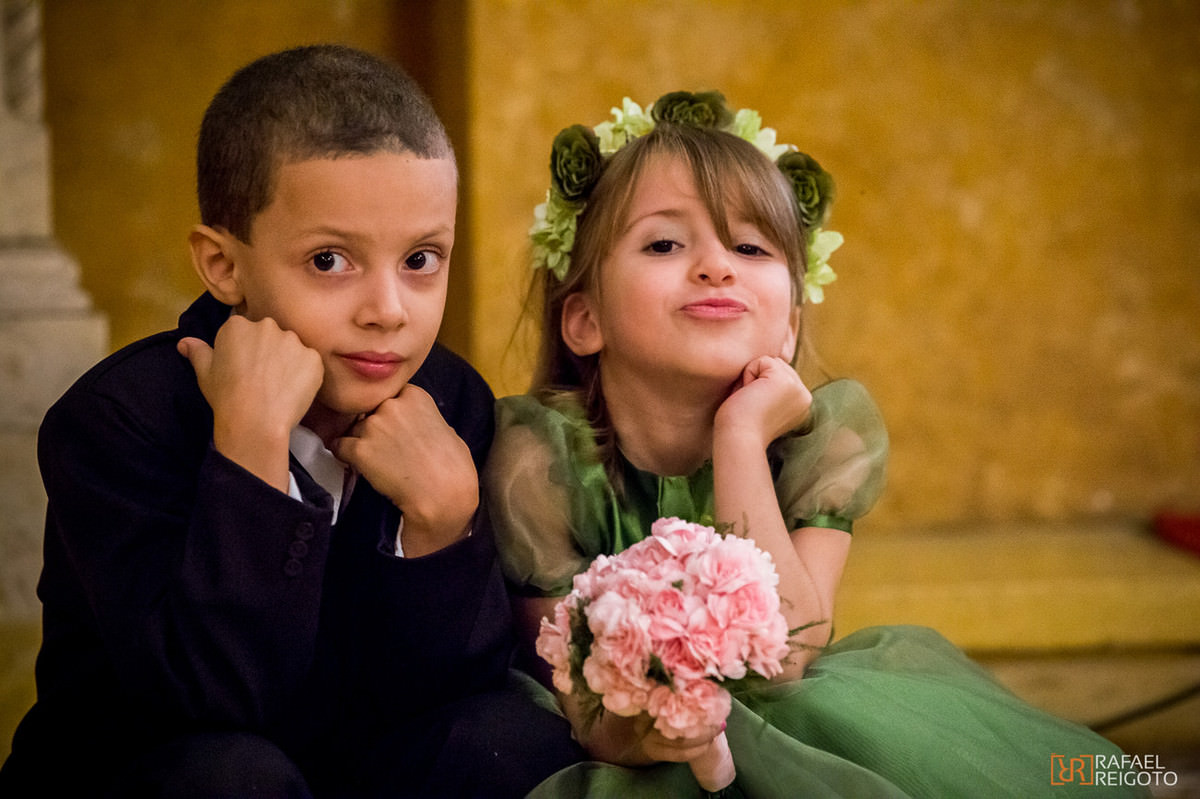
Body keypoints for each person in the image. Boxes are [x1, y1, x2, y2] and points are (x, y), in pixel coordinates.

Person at [484, 91, 1145, 798]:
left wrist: (739, 437)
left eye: (750, 246)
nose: (716, 266)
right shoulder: (539, 461)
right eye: (665, 243)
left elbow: (790, 651)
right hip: (623, 751)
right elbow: (585, 707)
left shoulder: (819, 441)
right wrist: (659, 729)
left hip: (790, 721)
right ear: (583, 319)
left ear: (790, 327)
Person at [0, 44, 582, 798]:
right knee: (236, 776)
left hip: (344, 769)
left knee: (515, 739)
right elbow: (207, 701)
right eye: (330, 261)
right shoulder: (118, 421)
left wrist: (443, 525)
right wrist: (250, 455)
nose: (388, 311)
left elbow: (448, 694)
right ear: (223, 266)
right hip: (163, 772)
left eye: (421, 259)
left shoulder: (449, 402)